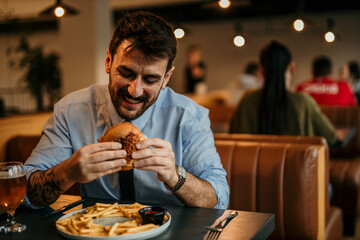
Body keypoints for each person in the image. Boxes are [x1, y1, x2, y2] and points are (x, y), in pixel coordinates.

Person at [23, 11, 229, 210]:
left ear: (166, 78)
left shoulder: (188, 116)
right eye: (126, 72)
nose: (135, 91)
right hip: (96, 231)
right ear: (108, 61)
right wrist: (68, 172)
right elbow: (23, 192)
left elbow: (219, 198)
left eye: (150, 79)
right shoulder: (71, 111)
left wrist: (175, 176)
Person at [229, 41, 336, 146]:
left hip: (252, 163)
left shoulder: (247, 100)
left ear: (261, 70)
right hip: (296, 164)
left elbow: (232, 134)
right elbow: (330, 136)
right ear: (292, 67)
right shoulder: (303, 101)